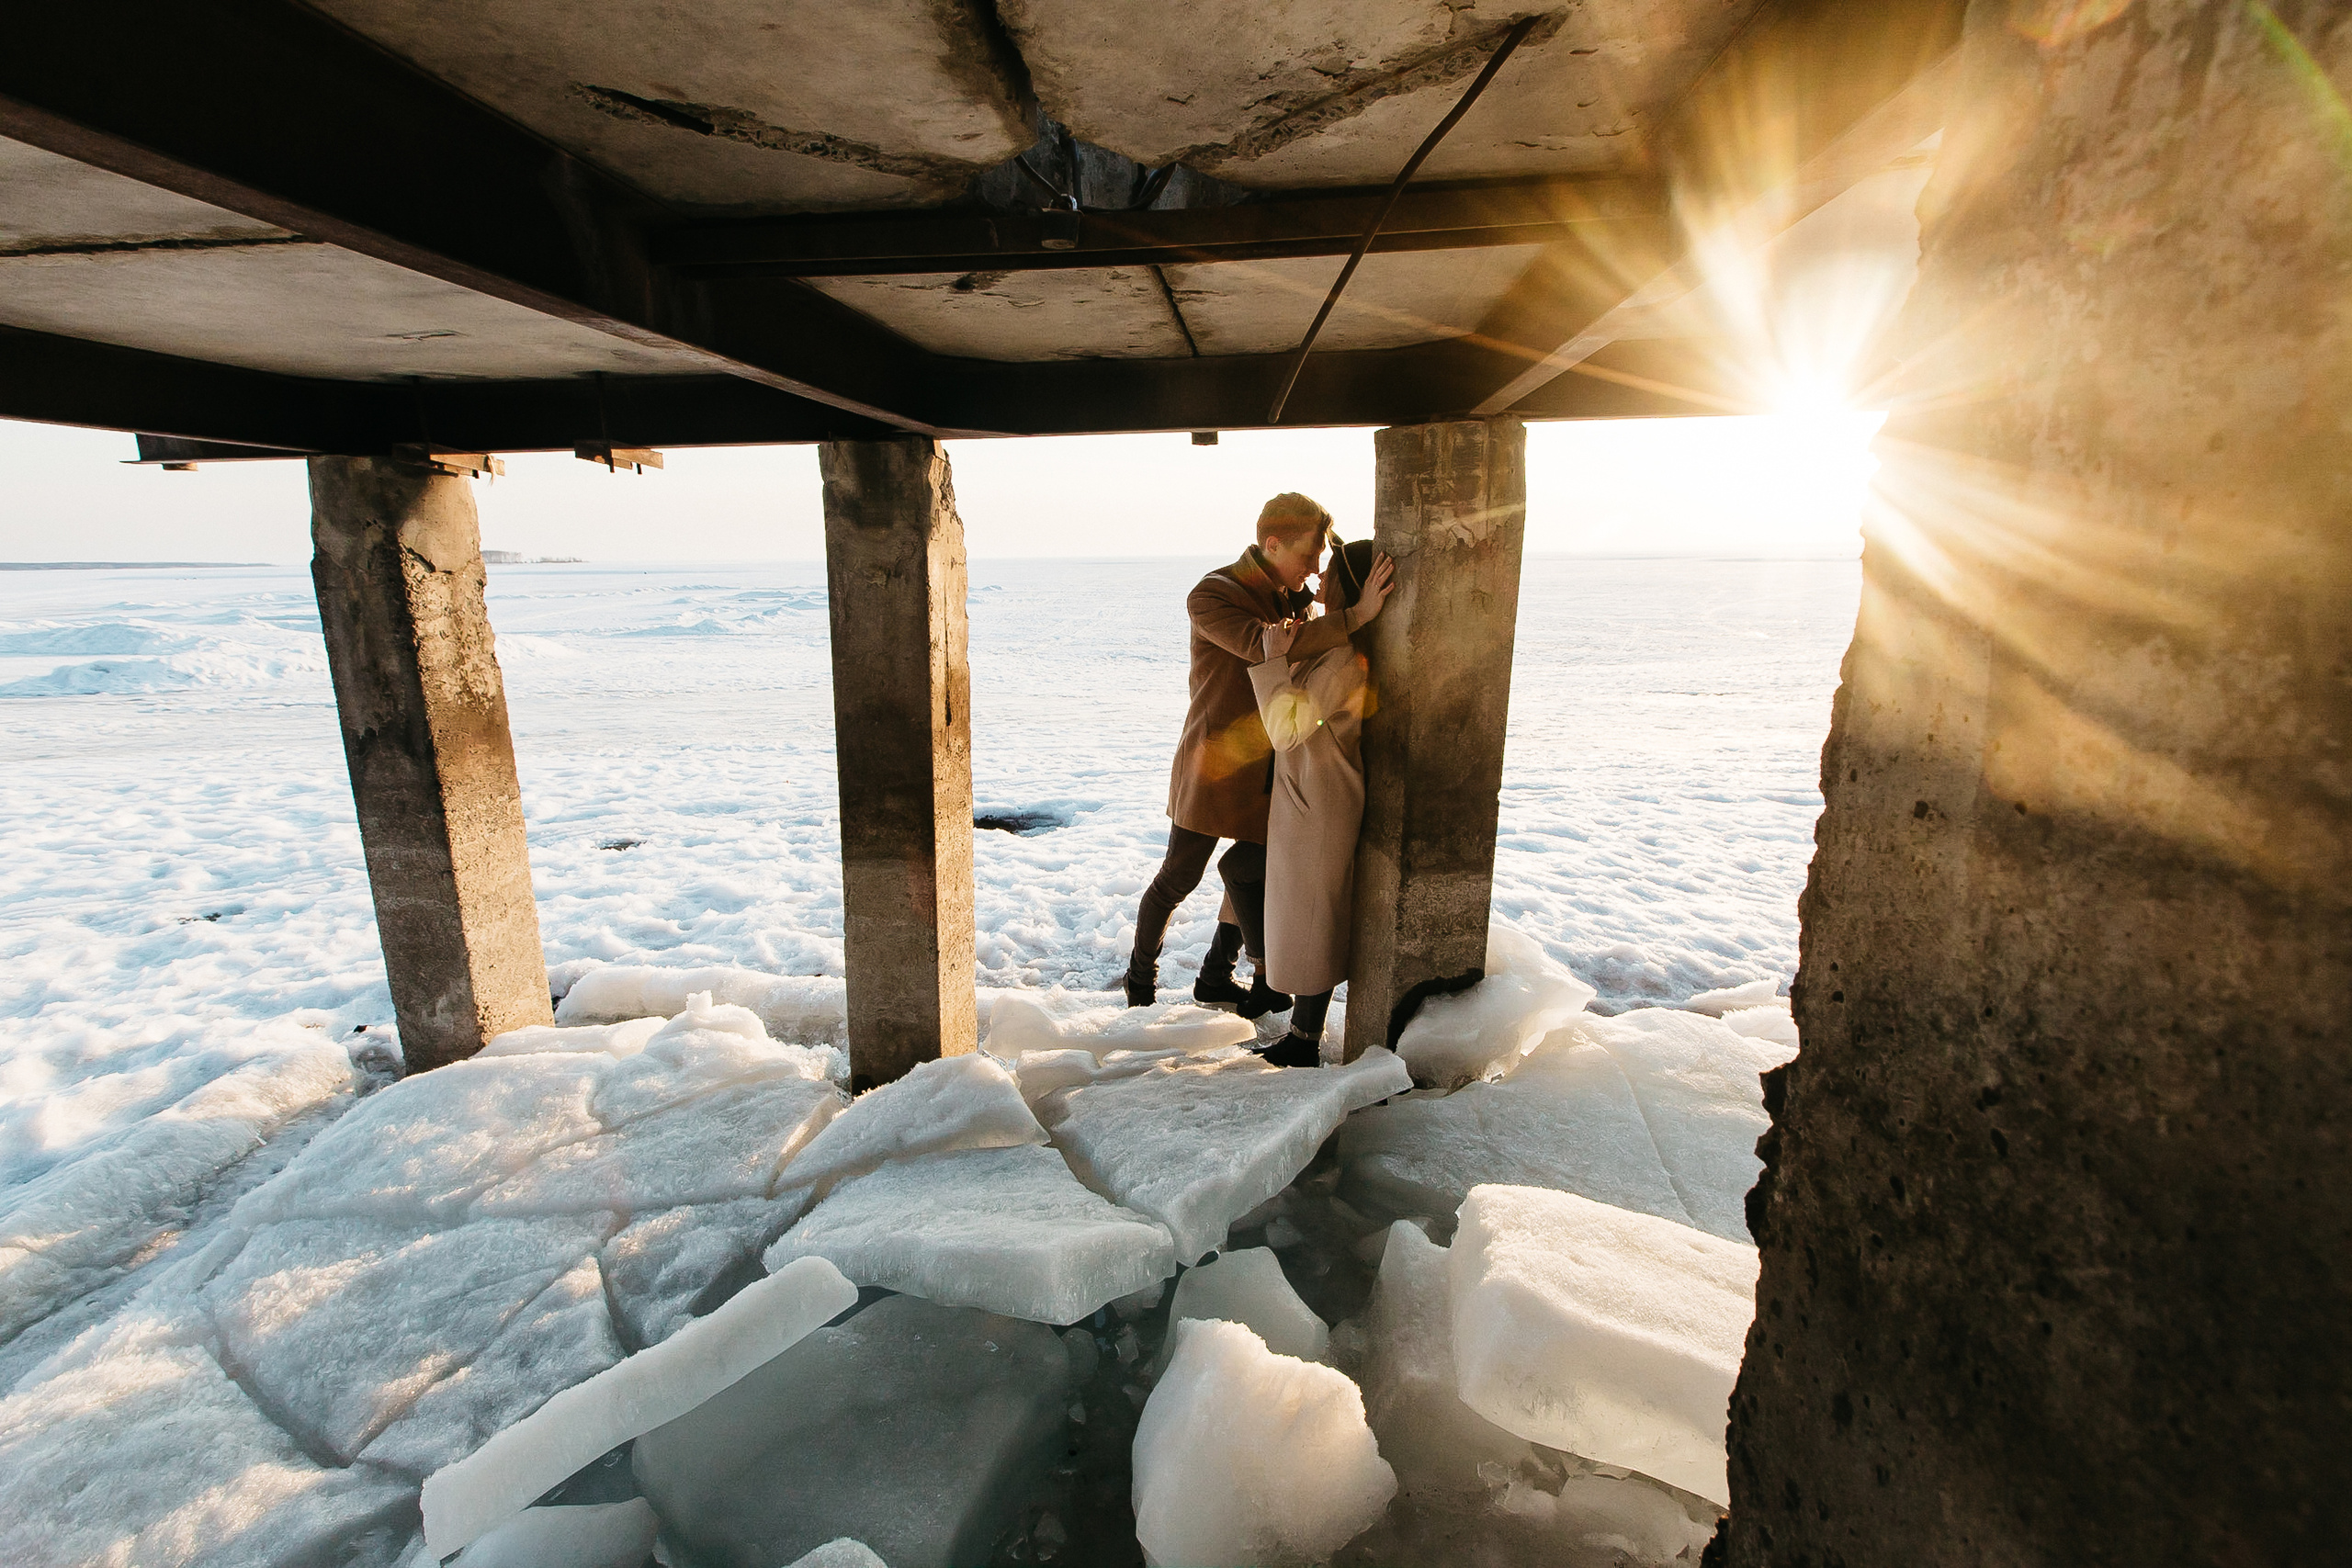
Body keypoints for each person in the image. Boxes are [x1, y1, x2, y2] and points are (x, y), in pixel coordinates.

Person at [1122, 494, 1391, 1010]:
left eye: (1320, 562)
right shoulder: (1212, 594)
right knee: (1179, 875)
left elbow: (1301, 660)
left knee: (1252, 870)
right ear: (1272, 544)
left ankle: (1217, 975)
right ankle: (1139, 979)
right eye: (1309, 558)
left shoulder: (1299, 603)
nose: (1315, 572)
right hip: (1215, 763)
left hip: (1273, 765)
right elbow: (1261, 647)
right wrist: (1356, 616)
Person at [1249, 537, 1393, 1066]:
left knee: (1315, 915)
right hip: (1311, 795)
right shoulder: (1335, 645)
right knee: (1309, 911)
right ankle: (1298, 1034)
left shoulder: (1342, 661)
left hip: (1322, 800)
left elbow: (1286, 732)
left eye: (1330, 570)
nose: (1320, 578)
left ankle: (1304, 1043)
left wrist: (1272, 662)